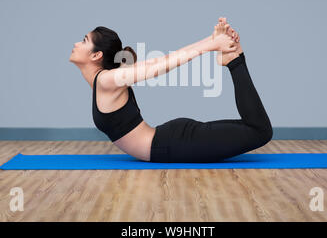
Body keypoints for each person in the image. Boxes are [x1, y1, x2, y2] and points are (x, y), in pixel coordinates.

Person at [69, 17, 272, 162]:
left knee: (260, 131)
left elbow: (161, 64)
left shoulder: (106, 80)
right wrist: (212, 42)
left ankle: (235, 60)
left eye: (84, 40)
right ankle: (232, 59)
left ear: (96, 55)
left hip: (173, 145)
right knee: (255, 129)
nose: (77, 43)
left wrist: (211, 44)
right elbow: (157, 62)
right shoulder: (104, 80)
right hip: (170, 141)